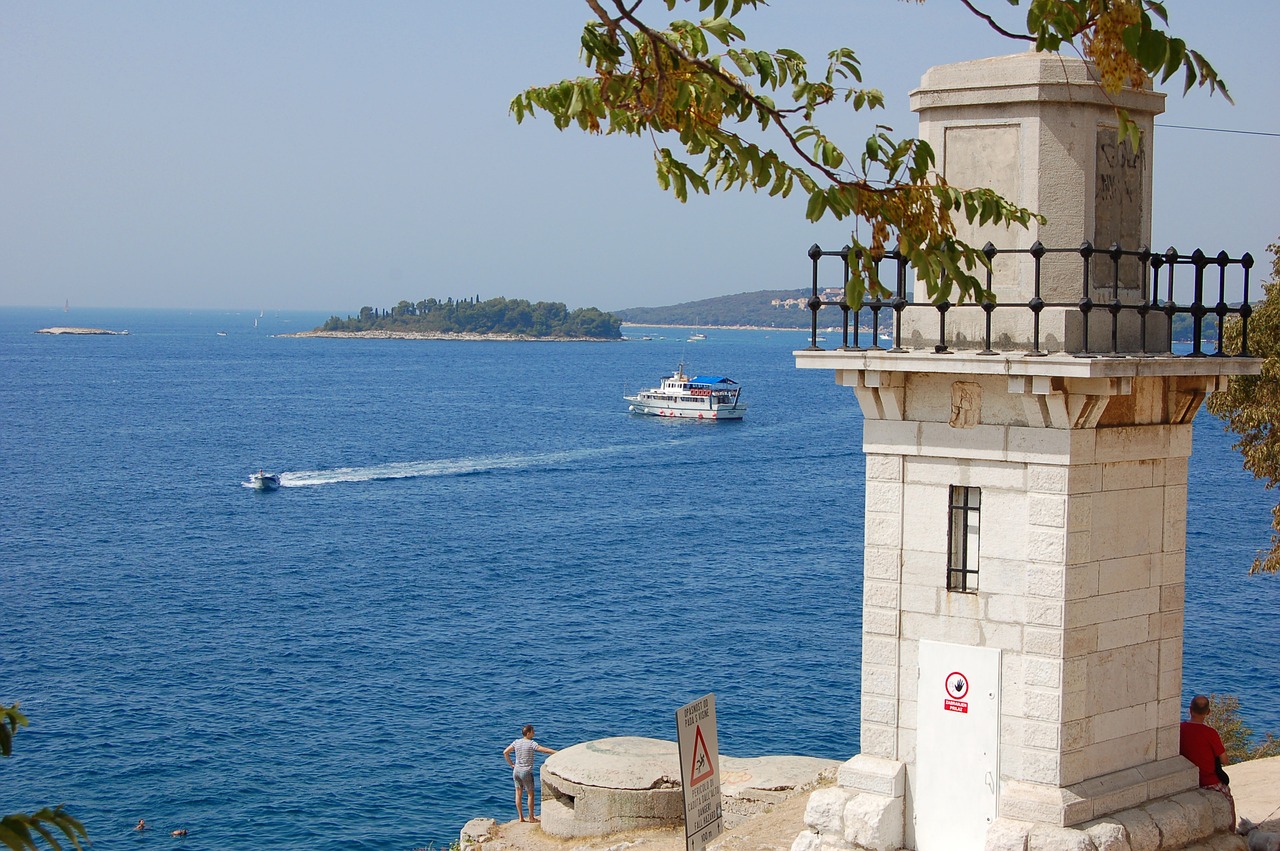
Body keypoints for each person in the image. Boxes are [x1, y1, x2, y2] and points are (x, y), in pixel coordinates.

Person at [1179, 694, 1235, 823]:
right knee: (1229, 800)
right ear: (1208, 712)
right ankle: (1232, 832)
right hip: (1208, 781)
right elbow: (1224, 760)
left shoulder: (1180, 729)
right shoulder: (1210, 733)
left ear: (1190, 709)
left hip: (1187, 778)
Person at [503, 724, 557, 823]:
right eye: (533, 731)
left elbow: (505, 752)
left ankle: (521, 818)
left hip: (516, 771)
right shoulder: (531, 743)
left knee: (518, 794)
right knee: (530, 795)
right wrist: (556, 752)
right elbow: (543, 750)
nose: (534, 733)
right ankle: (531, 817)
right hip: (526, 772)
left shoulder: (516, 742)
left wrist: (511, 764)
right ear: (528, 733)